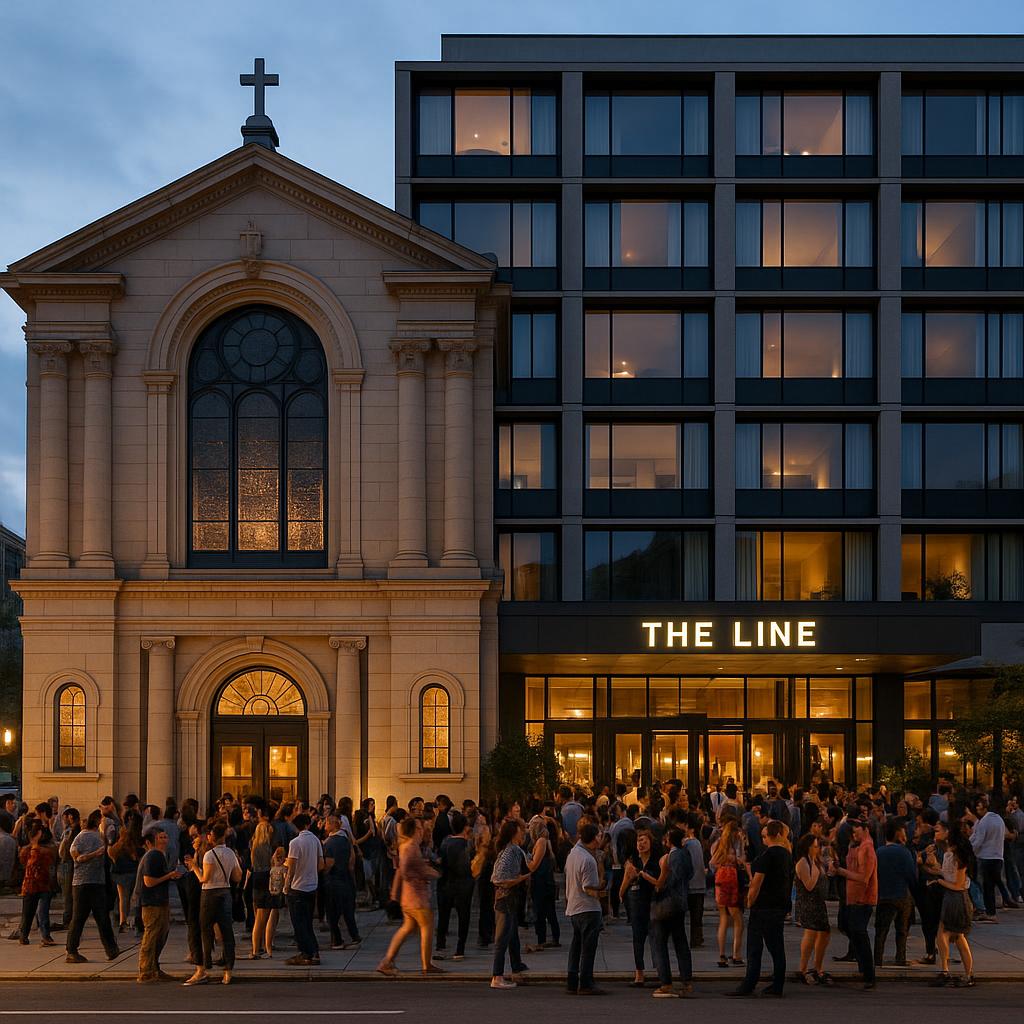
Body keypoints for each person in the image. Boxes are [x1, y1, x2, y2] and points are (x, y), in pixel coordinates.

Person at [727, 819, 793, 998]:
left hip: (763, 906)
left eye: (765, 836)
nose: (763, 840)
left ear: (772, 836)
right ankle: (778, 984)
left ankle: (749, 983)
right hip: (779, 905)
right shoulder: (787, 854)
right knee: (777, 947)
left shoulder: (767, 856)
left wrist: (750, 900)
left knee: (754, 947)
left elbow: (756, 883)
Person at [377, 816, 442, 977]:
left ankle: (387, 961)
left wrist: (395, 894)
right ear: (414, 831)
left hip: (408, 897)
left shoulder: (405, 846)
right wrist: (433, 873)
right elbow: (409, 869)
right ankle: (426, 964)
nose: (422, 831)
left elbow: (401, 871)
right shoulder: (411, 847)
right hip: (416, 897)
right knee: (427, 928)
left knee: (407, 928)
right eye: (419, 828)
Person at [185, 821, 242, 987]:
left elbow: (204, 878)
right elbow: (237, 877)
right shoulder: (231, 853)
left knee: (205, 929)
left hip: (209, 893)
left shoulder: (209, 855)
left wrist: (194, 867)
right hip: (225, 892)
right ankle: (228, 971)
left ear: (213, 837)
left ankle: (206, 964)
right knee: (227, 932)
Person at [65, 810, 120, 964]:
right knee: (99, 917)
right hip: (92, 883)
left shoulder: (83, 837)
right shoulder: (91, 837)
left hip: (83, 883)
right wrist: (94, 854)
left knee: (81, 918)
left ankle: (73, 950)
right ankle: (110, 948)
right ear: (97, 821)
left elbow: (74, 853)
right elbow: (76, 857)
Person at [830, 817, 877, 990]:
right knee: (851, 930)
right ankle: (864, 970)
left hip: (862, 899)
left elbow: (864, 878)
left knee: (859, 934)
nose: (853, 834)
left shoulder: (867, 849)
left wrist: (840, 871)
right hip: (853, 897)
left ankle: (869, 974)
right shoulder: (856, 846)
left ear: (865, 829)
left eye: (856, 830)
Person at [928, 821, 976, 988]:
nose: (935, 833)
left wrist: (939, 881)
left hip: (957, 898)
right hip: (951, 897)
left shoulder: (958, 855)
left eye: (938, 830)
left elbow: (958, 885)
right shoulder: (949, 852)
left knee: (946, 933)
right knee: (957, 937)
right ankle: (965, 974)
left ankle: (947, 971)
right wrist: (932, 865)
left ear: (948, 832)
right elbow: (947, 873)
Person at [648, 826, 694, 998]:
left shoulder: (672, 857)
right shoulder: (685, 854)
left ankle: (666, 982)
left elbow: (669, 880)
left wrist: (659, 884)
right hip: (680, 902)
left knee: (660, 943)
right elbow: (690, 873)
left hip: (667, 902)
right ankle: (686, 980)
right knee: (680, 942)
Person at [564, 821, 606, 996]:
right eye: (599, 836)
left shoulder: (573, 854)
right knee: (588, 948)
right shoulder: (588, 860)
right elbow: (588, 887)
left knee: (576, 946)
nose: (601, 839)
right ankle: (586, 983)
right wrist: (601, 890)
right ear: (594, 838)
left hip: (574, 906)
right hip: (587, 908)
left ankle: (572, 980)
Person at [488, 820, 531, 990]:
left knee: (512, 935)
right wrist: (520, 879)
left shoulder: (511, 850)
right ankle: (497, 976)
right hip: (505, 898)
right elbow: (498, 878)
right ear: (514, 833)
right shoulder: (511, 851)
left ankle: (516, 964)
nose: (523, 833)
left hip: (509, 899)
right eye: (521, 831)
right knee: (502, 938)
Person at [136, 828, 182, 984]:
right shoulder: (153, 855)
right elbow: (148, 881)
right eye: (161, 837)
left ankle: (154, 968)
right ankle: (146, 972)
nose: (164, 840)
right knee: (151, 937)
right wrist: (169, 875)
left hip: (160, 901)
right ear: (152, 841)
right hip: (152, 903)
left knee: (160, 936)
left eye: (165, 837)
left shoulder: (160, 855)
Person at [874, 818, 918, 967]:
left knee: (881, 931)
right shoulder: (904, 852)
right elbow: (911, 875)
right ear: (898, 833)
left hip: (884, 895)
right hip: (902, 895)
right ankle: (900, 957)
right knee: (902, 930)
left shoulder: (879, 852)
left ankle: (877, 959)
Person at [283, 812, 324, 966]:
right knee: (307, 922)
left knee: (298, 923)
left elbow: (292, 867)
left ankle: (307, 953)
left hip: (297, 887)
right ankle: (314, 950)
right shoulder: (316, 840)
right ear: (308, 824)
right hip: (312, 886)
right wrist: (311, 871)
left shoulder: (295, 843)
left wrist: (286, 885)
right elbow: (321, 864)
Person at [794, 832, 834, 986]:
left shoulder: (814, 860)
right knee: (811, 933)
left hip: (818, 903)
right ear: (808, 847)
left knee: (824, 933)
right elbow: (809, 885)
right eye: (815, 846)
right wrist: (817, 871)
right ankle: (803, 969)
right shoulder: (803, 863)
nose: (818, 849)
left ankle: (817, 967)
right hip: (809, 903)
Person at [620, 828, 658, 986]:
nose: (641, 844)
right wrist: (621, 892)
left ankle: (660, 970)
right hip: (636, 902)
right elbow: (626, 880)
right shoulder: (633, 861)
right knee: (638, 938)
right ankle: (639, 973)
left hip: (653, 902)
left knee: (656, 937)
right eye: (639, 841)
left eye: (644, 841)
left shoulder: (656, 861)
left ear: (650, 843)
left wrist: (643, 875)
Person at [435, 811, 474, 960]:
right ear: (465, 827)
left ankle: (440, 945)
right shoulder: (466, 845)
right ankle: (460, 948)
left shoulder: (445, 842)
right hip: (463, 885)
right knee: (463, 917)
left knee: (443, 916)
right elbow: (467, 866)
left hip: (446, 883)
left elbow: (440, 860)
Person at [710, 816, 746, 966]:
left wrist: (720, 866)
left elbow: (712, 862)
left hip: (719, 880)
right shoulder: (736, 842)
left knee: (723, 918)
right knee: (738, 920)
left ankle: (722, 954)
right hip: (731, 880)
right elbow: (741, 859)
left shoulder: (718, 843)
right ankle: (736, 954)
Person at [323, 814, 361, 950]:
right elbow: (352, 861)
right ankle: (354, 936)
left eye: (326, 823)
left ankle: (337, 940)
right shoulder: (346, 840)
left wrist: (322, 872)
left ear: (332, 824)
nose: (325, 825)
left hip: (334, 880)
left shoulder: (330, 843)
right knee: (347, 911)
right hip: (346, 878)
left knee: (333, 913)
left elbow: (329, 864)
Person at [17, 822, 56, 947]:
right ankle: (43, 936)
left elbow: (26, 863)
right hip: (40, 883)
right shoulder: (42, 850)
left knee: (30, 912)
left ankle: (26, 935)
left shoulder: (28, 850)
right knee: (39, 912)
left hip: (33, 883)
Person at [969, 795, 1007, 920]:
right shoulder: (999, 819)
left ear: (983, 808)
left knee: (986, 886)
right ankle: (994, 910)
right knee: (994, 884)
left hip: (985, 856)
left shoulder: (984, 822)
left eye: (978, 808)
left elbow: (978, 841)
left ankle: (990, 912)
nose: (977, 811)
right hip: (998, 856)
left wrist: (970, 850)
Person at [246, 819, 277, 959]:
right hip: (265, 879)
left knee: (258, 916)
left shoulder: (253, 846)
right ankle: (259, 947)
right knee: (263, 917)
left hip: (256, 879)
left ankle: (256, 947)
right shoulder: (267, 847)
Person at [527, 816, 559, 950]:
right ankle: (552, 937)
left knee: (541, 911)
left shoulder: (541, 841)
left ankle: (543, 939)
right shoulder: (543, 841)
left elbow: (534, 865)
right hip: (544, 881)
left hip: (542, 882)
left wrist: (525, 859)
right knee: (548, 911)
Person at [107, 810, 143, 933]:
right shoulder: (136, 838)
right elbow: (136, 856)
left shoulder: (121, 837)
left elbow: (111, 851)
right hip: (132, 870)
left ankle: (123, 922)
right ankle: (134, 920)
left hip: (119, 871)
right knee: (134, 897)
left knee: (122, 898)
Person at [683, 812, 705, 948]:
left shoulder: (688, 844)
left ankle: (695, 939)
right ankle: (697, 938)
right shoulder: (697, 843)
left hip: (691, 884)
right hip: (700, 883)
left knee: (692, 914)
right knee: (697, 916)